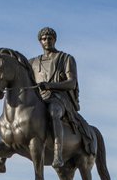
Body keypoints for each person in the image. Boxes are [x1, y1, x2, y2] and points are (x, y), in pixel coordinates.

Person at [30, 27, 81, 168]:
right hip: (39, 99)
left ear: (55, 40)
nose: (47, 41)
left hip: (58, 98)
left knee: (54, 112)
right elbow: (15, 70)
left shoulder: (66, 58)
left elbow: (71, 83)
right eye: (44, 38)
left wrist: (50, 85)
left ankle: (58, 154)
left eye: (50, 38)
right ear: (40, 41)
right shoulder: (33, 62)